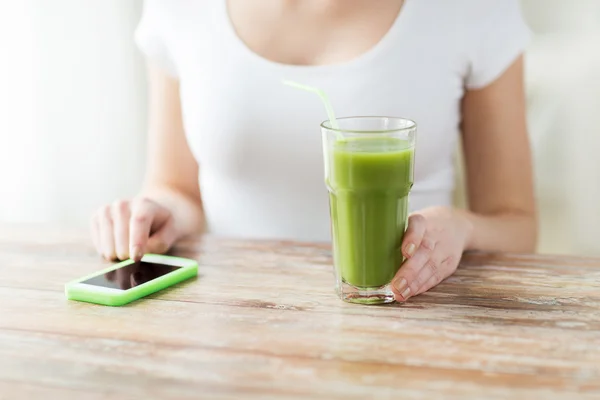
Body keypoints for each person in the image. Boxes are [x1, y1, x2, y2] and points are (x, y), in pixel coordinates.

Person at [91, 0, 537, 302]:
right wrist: (155, 215)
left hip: (404, 312)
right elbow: (176, 189)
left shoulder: (472, 10)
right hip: (233, 321)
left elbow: (517, 224)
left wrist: (459, 229)